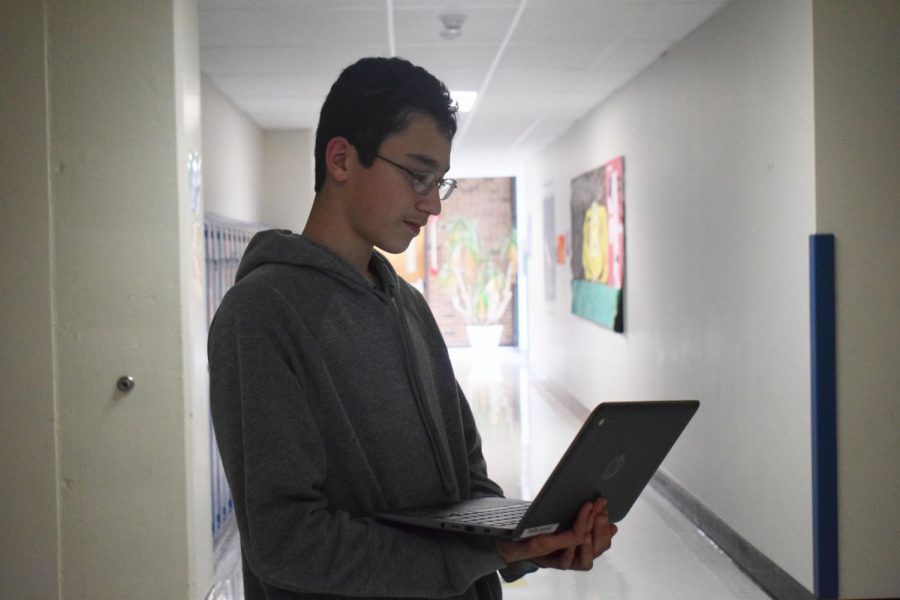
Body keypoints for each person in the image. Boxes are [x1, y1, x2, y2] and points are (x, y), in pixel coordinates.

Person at [208, 56, 617, 600]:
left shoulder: (411, 307)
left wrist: (531, 540)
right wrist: (481, 553)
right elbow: (286, 542)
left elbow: (466, 478)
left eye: (439, 182)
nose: (432, 204)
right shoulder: (261, 315)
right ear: (342, 159)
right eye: (418, 175)